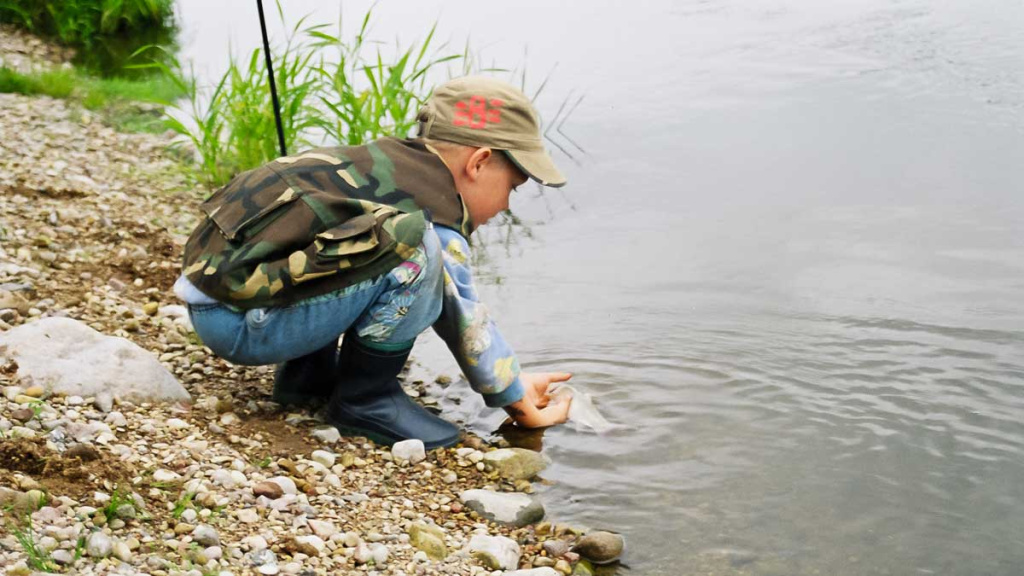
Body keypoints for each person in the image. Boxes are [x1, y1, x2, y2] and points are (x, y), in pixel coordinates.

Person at [173, 76, 573, 449]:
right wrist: (515, 398)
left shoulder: (383, 165)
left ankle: (307, 377)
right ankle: (367, 401)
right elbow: (465, 318)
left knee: (357, 243)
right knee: (417, 247)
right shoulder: (435, 210)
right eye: (512, 187)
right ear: (479, 162)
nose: (505, 205)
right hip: (243, 326)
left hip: (218, 302)